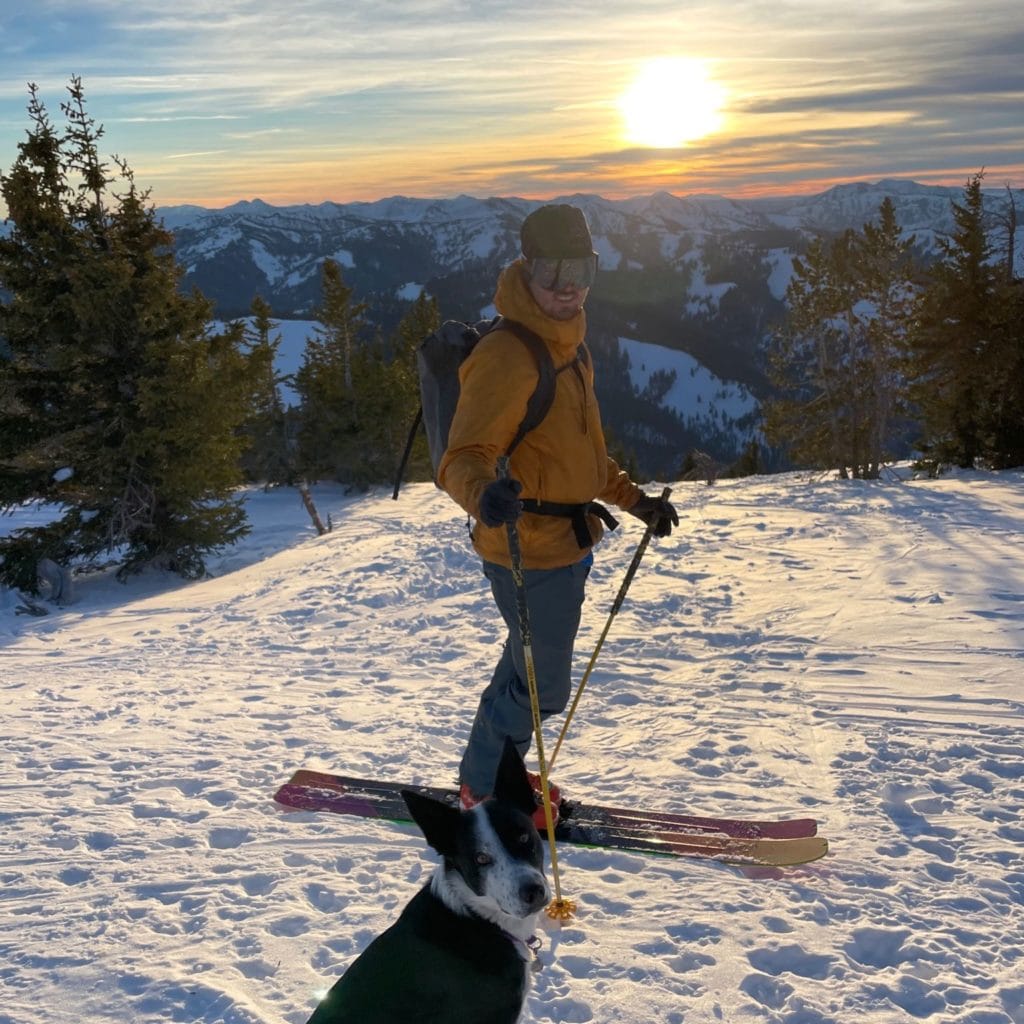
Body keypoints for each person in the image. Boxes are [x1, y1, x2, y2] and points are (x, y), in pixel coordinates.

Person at [438, 203, 677, 824]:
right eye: (552, 270)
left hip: (564, 544)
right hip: (526, 548)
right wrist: (481, 496)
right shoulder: (509, 354)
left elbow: (584, 453)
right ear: (527, 267)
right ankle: (485, 790)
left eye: (583, 268)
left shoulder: (568, 343)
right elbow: (461, 456)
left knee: (523, 670)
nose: (568, 284)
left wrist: (634, 500)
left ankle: (485, 776)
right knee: (542, 688)